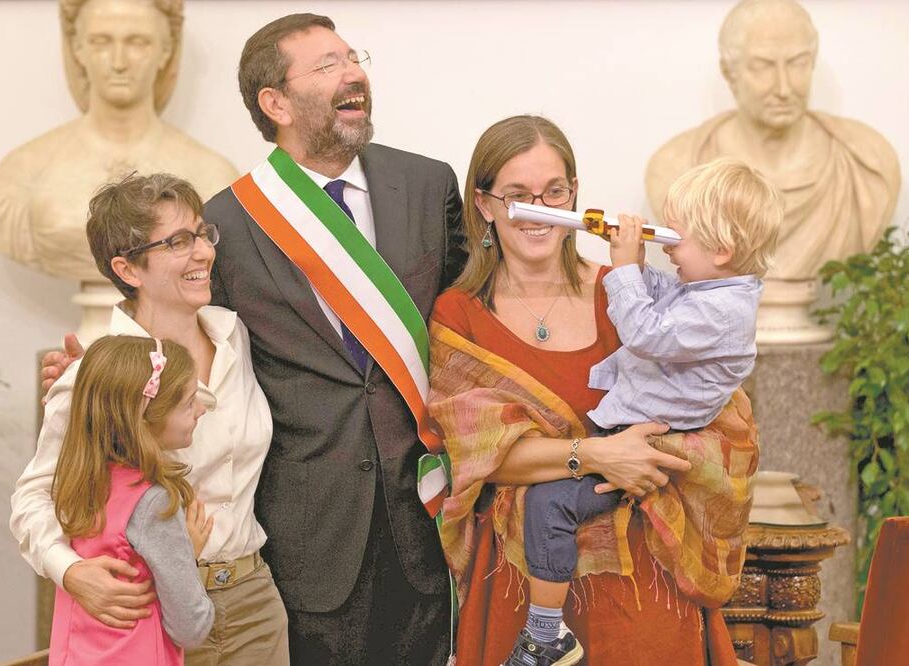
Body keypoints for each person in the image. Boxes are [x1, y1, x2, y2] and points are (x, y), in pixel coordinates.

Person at [429, 115, 757, 666]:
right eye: (517, 195)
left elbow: (716, 418)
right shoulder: (459, 315)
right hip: (525, 583)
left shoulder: (629, 299)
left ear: (574, 196)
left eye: (554, 191)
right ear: (485, 204)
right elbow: (476, 456)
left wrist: (662, 452)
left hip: (646, 574)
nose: (539, 207)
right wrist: (598, 454)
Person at [201, 13, 467, 664]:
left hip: (426, 513)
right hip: (308, 529)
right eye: (326, 65)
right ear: (275, 102)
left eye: (353, 57)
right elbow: (205, 356)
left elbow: (473, 322)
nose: (354, 74)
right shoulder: (226, 223)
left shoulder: (428, 186)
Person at [513, 157, 782, 662]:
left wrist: (622, 268)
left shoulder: (724, 311)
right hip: (632, 427)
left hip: (655, 445)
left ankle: (546, 636)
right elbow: (660, 292)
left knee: (549, 504)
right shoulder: (711, 289)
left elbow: (645, 332)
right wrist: (631, 259)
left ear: (722, 249)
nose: (669, 245)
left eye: (678, 236)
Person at [13, 174, 289, 664]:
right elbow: (34, 497)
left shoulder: (237, 335)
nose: (203, 252)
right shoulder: (97, 372)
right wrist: (70, 571)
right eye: (178, 242)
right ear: (127, 268)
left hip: (254, 601)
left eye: (204, 234)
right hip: (151, 612)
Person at [0, 0, 237, 282]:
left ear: (166, 50)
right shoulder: (23, 172)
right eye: (101, 42)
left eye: (138, 42)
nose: (119, 62)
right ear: (78, 49)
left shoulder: (213, 175)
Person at [645, 0, 899, 283]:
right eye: (762, 66)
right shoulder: (675, 164)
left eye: (798, 63)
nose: (783, 87)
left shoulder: (866, 163)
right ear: (730, 72)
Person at [48, 335, 213, 663]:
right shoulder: (154, 504)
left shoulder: (80, 480)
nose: (201, 409)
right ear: (146, 419)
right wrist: (187, 553)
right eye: (189, 402)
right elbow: (190, 627)